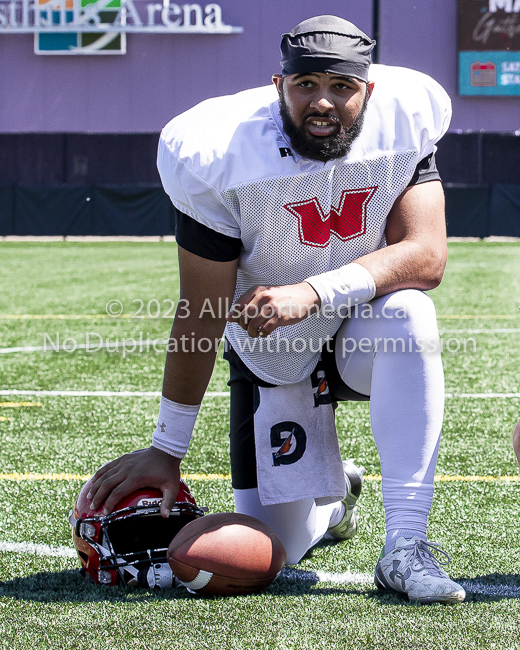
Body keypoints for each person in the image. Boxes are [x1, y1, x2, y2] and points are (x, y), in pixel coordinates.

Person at [87, 15, 465, 604]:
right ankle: (335, 503)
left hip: (362, 335)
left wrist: (314, 292)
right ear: (277, 85)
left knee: (410, 312)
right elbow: (203, 305)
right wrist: (167, 447)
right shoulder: (216, 150)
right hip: (271, 353)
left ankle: (406, 544)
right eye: (306, 84)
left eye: (341, 87)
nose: (323, 102)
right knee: (272, 549)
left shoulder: (406, 115)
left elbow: (426, 256)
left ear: (369, 91)